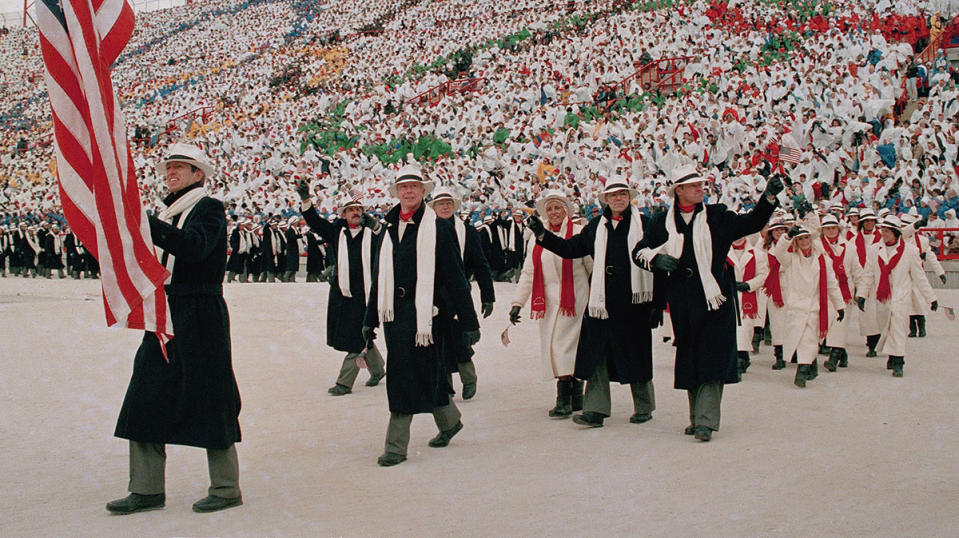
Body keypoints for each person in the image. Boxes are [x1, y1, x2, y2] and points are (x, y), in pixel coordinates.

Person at [108, 143, 242, 514]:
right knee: (145, 394)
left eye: (181, 167)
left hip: (200, 313)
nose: (172, 172)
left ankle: (227, 487)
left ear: (199, 174)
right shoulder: (171, 211)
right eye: (169, 166)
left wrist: (146, 222)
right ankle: (147, 489)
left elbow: (195, 249)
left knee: (212, 397)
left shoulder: (209, 208)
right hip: (167, 312)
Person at [633, 166, 782, 442]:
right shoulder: (661, 221)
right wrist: (655, 260)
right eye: (693, 186)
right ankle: (697, 417)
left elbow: (751, 222)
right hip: (683, 302)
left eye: (701, 184)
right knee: (691, 357)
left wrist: (769, 198)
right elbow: (639, 251)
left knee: (712, 357)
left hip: (716, 299)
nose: (700, 189)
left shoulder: (717, 215)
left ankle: (705, 420)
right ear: (678, 190)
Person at [363, 164, 480, 467]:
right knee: (429, 371)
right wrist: (369, 318)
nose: (409, 191)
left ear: (423, 191)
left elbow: (456, 277)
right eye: (404, 187)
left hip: (428, 317)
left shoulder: (439, 228)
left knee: (403, 376)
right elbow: (380, 277)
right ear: (397, 192)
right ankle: (450, 421)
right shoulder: (387, 230)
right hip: (395, 317)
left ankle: (396, 446)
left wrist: (469, 322)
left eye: (414, 186)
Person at [528, 177, 657, 428]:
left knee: (636, 354)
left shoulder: (646, 225)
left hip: (635, 301)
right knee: (596, 355)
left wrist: (657, 304)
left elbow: (657, 257)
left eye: (622, 194)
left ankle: (644, 407)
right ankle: (595, 410)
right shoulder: (596, 226)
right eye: (613, 195)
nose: (618, 199)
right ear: (606, 200)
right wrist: (542, 234)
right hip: (602, 301)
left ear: (629, 198)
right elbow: (569, 249)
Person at [296, 181, 386, 396]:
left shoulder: (374, 232)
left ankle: (344, 382)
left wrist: (376, 227)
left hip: (368, 294)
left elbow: (391, 241)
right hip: (343, 293)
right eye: (351, 210)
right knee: (359, 334)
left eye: (358, 209)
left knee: (356, 338)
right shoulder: (337, 231)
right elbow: (315, 222)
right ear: (343, 214)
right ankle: (378, 369)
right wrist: (306, 200)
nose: (355, 213)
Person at [510, 189, 592, 418]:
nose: (554, 212)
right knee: (559, 349)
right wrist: (518, 302)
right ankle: (576, 396)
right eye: (550, 209)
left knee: (563, 348)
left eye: (558, 208)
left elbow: (591, 266)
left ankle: (563, 398)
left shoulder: (578, 232)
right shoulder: (537, 238)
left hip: (575, 301)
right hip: (549, 303)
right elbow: (528, 272)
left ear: (566, 210)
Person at [428, 186, 494, 401]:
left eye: (448, 203)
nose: (445, 206)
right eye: (441, 203)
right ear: (434, 207)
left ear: (454, 206)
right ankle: (444, 385)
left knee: (459, 339)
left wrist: (487, 296)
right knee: (436, 341)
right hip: (433, 295)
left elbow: (481, 265)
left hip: (458, 294)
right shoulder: (425, 231)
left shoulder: (468, 232)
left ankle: (469, 379)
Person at [854, 215, 938, 378]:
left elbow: (919, 277)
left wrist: (931, 298)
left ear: (896, 233)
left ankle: (899, 361)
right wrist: (862, 295)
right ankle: (892, 355)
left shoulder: (910, 251)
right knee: (886, 326)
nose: (884, 234)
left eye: (887, 231)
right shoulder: (874, 250)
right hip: (882, 297)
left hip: (901, 296)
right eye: (883, 230)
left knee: (898, 328)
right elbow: (868, 274)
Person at [773, 223, 845, 388]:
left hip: (814, 307)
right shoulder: (791, 259)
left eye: (806, 238)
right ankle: (810, 365)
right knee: (801, 340)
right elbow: (778, 253)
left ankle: (802, 371)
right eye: (800, 239)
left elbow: (832, 284)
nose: (804, 241)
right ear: (796, 242)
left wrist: (839, 306)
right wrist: (787, 237)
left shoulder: (823, 260)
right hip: (796, 307)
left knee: (809, 339)